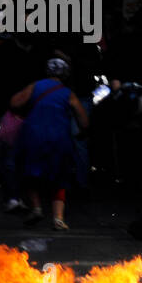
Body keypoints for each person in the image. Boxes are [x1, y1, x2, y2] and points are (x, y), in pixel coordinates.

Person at [11, 58, 89, 230]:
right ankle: (58, 218)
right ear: (66, 74)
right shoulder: (68, 93)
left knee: (30, 173)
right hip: (59, 138)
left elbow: (15, 102)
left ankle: (37, 208)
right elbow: (83, 121)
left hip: (33, 136)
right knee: (60, 177)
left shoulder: (35, 86)